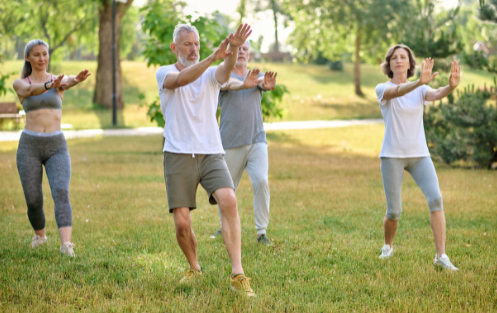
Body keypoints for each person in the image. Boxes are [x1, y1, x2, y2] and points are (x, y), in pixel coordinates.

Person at [155, 24, 256, 296]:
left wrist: (233, 48)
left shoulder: (212, 74)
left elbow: (226, 69)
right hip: (178, 153)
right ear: (175, 48)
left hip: (211, 151)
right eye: (187, 44)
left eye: (196, 43)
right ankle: (194, 267)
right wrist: (212, 56)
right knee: (182, 223)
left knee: (229, 200)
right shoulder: (164, 72)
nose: (194, 48)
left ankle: (238, 273)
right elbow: (182, 80)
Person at [375, 44, 460, 270]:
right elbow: (397, 92)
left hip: (420, 155)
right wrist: (419, 83)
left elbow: (436, 93)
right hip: (392, 156)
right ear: (389, 64)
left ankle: (441, 256)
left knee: (436, 199)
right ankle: (388, 246)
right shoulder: (382, 88)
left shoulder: (421, 90)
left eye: (403, 57)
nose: (399, 60)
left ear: (410, 63)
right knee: (394, 211)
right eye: (394, 58)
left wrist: (450, 87)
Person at [12, 39, 91, 257]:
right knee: (33, 199)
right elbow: (29, 90)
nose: (42, 58)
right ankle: (40, 236)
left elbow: (69, 80)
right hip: (29, 146)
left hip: (57, 145)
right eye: (36, 54)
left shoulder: (58, 80)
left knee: (61, 191)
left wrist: (77, 79)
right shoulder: (20, 83)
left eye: (45, 54)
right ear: (28, 57)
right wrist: (50, 85)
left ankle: (66, 244)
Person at [209, 40, 277, 245]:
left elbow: (264, 82)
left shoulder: (257, 77)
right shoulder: (222, 76)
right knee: (227, 189)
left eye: (246, 50)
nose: (242, 53)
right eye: (239, 49)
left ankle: (261, 232)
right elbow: (228, 85)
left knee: (262, 181)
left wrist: (266, 85)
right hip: (230, 142)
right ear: (232, 52)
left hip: (257, 140)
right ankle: (224, 227)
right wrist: (246, 84)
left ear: (249, 54)